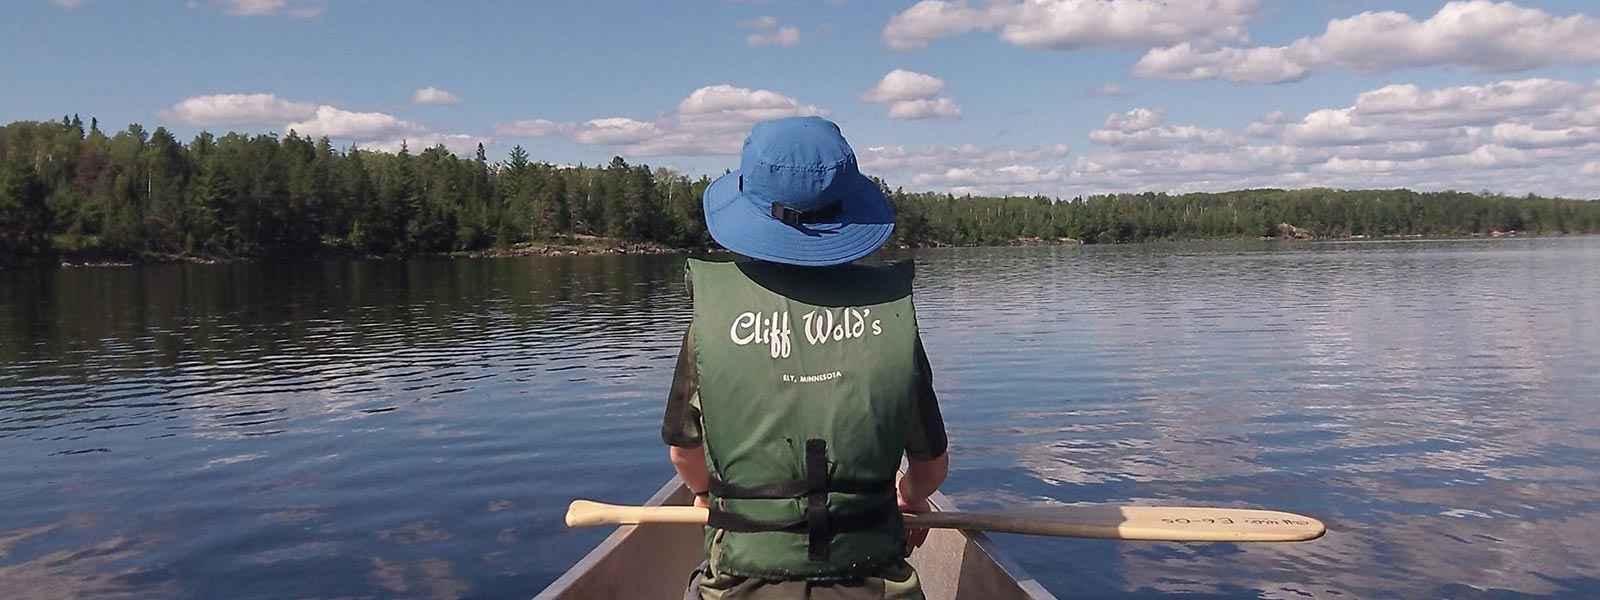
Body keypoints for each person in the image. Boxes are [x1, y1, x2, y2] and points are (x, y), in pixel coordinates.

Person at [661, 116, 949, 600]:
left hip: (740, 584)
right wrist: (909, 499)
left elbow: (684, 455)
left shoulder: (708, 323)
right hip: (874, 580)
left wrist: (710, 495)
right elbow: (931, 468)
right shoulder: (890, 317)